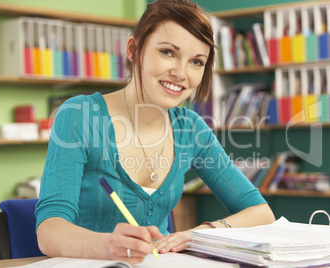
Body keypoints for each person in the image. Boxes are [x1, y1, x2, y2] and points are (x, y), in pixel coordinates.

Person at [35, 0, 275, 265]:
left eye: (196, 61)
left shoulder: (190, 128)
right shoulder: (79, 115)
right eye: (168, 52)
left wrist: (200, 234)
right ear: (133, 49)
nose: (181, 73)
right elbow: (49, 231)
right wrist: (109, 246)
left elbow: (260, 212)